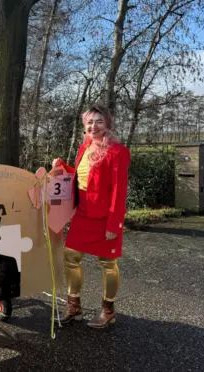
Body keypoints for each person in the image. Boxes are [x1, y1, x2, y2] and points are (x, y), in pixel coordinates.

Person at [52, 105, 130, 329]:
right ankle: (73, 307)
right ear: (84, 125)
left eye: (99, 122)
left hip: (105, 217)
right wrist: (62, 167)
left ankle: (108, 311)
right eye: (89, 122)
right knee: (70, 256)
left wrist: (114, 224)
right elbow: (81, 177)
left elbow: (119, 190)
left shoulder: (118, 151)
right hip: (83, 213)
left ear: (107, 124)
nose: (93, 126)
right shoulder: (84, 146)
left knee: (108, 263)